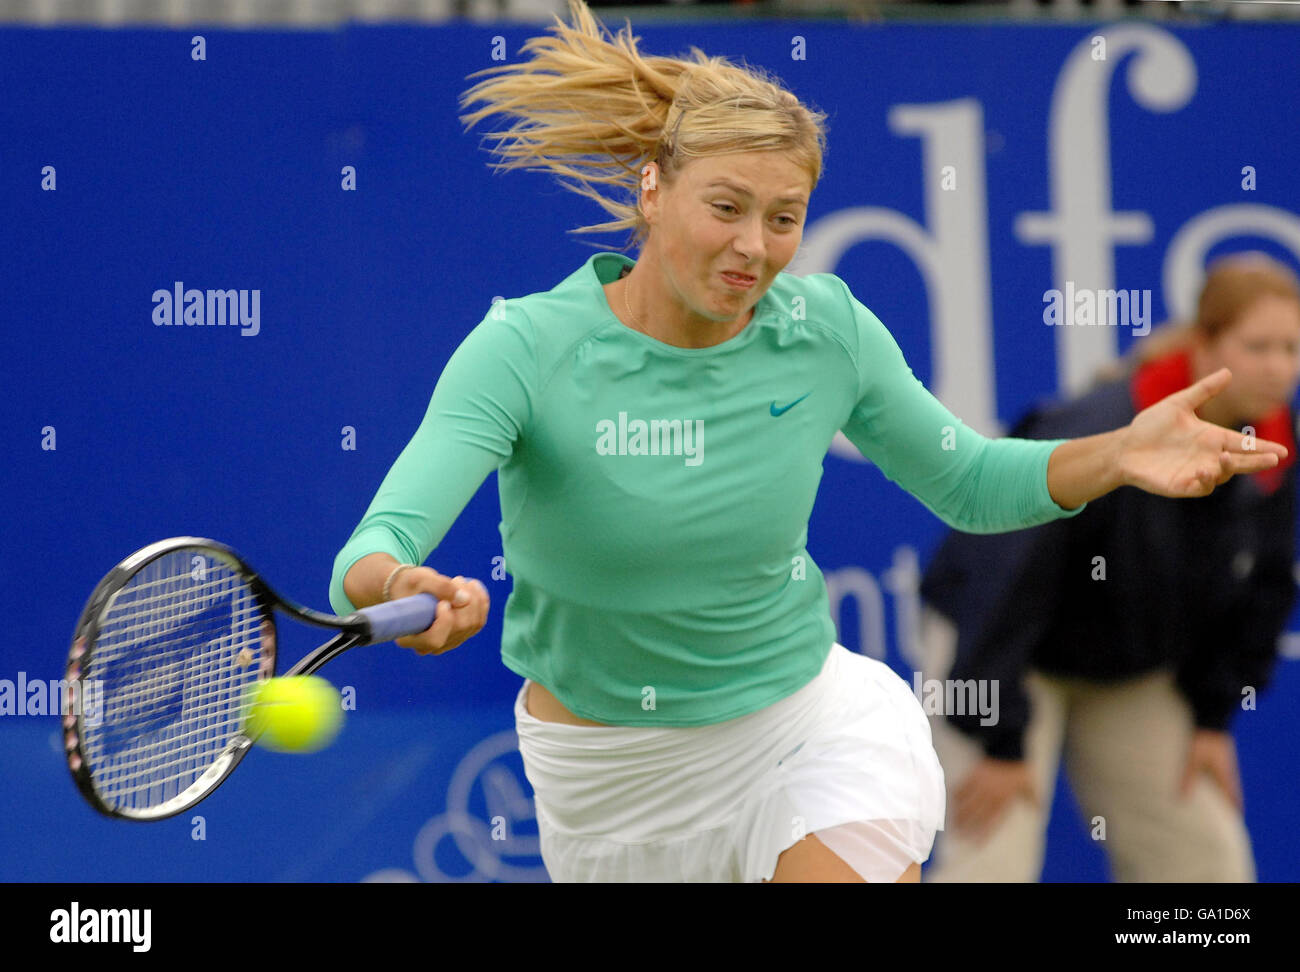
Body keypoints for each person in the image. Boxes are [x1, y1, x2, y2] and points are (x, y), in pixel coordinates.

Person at [326, 0, 1288, 882]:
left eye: (785, 218)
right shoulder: (525, 348)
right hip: (606, 774)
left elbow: (974, 483)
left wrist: (1117, 453)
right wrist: (401, 584)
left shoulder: (823, 329)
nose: (756, 246)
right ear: (654, 191)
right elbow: (370, 555)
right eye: (727, 207)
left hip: (802, 724)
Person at [918, 251, 1300, 882]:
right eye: (1258, 346)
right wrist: (1000, 739)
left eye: (1291, 348)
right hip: (1000, 660)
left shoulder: (1275, 445)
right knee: (994, 861)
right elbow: (1005, 582)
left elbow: (1263, 588)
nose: (1279, 367)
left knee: (1205, 862)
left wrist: (1211, 717)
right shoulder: (1100, 426)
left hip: (1129, 665)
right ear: (1204, 344)